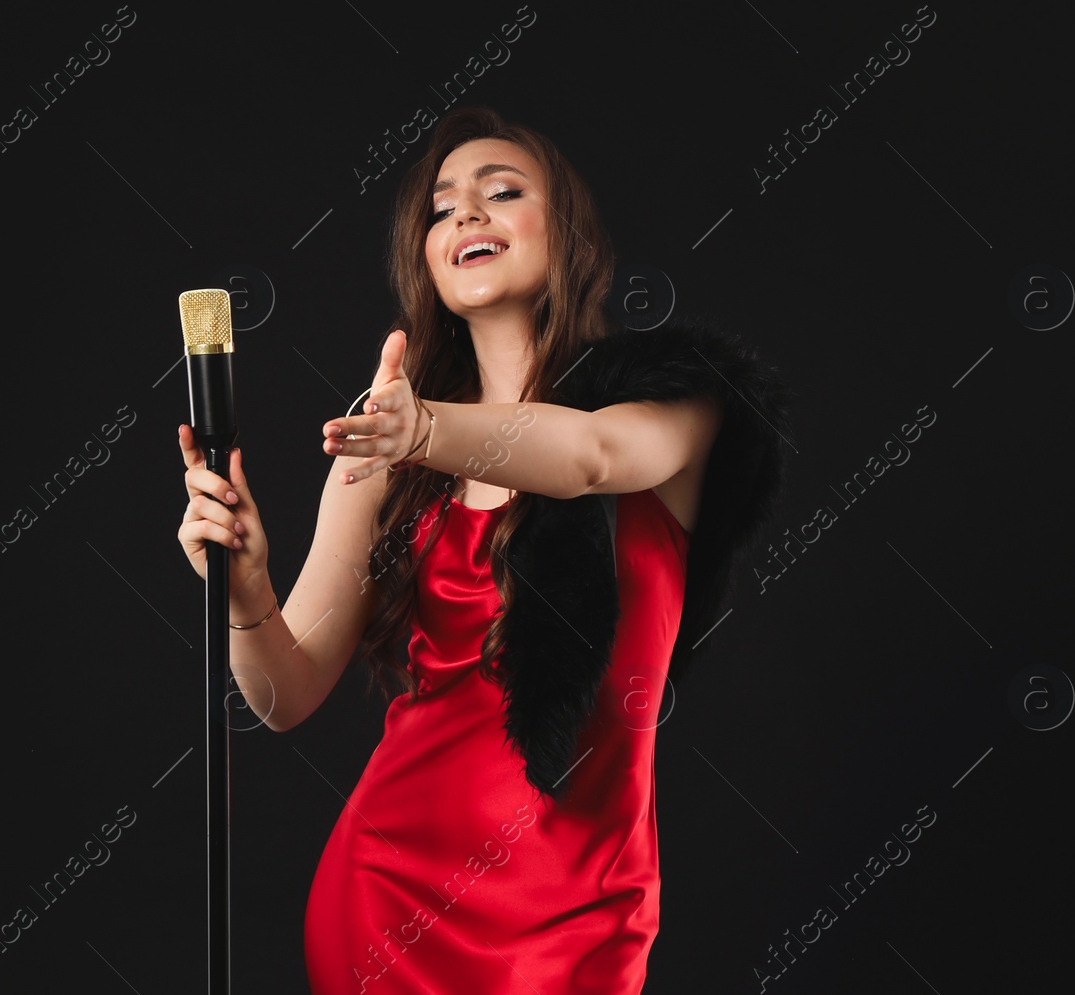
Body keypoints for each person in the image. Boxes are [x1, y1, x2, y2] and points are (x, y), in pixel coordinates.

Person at [178, 106, 792, 994]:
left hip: (579, 914)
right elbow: (284, 691)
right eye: (440, 209)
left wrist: (423, 426)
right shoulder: (386, 457)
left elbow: (587, 459)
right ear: (424, 259)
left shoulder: (677, 405)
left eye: (501, 192)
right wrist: (243, 590)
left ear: (567, 230)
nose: (465, 214)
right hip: (385, 894)